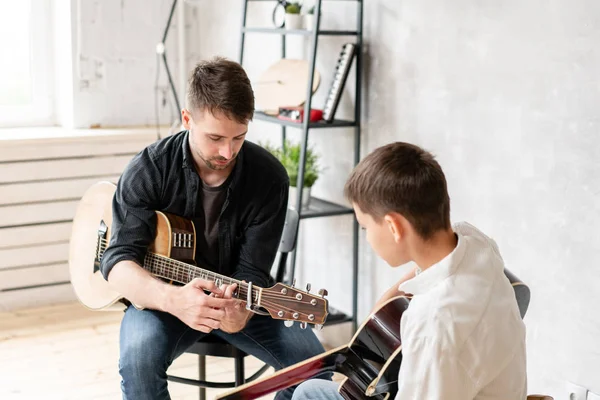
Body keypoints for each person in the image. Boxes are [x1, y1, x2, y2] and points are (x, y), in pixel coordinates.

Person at [99, 56, 326, 400]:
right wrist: (171, 299)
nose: (227, 151)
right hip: (164, 300)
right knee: (138, 361)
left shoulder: (269, 179)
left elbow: (252, 272)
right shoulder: (149, 169)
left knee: (313, 367)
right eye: (215, 137)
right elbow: (117, 262)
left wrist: (241, 315)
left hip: (239, 301)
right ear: (187, 119)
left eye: (239, 137)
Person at [291, 142, 527, 399]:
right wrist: (380, 310)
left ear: (394, 227)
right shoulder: (476, 243)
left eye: (365, 227)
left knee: (307, 394)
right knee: (311, 389)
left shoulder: (433, 325)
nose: (367, 238)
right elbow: (416, 281)